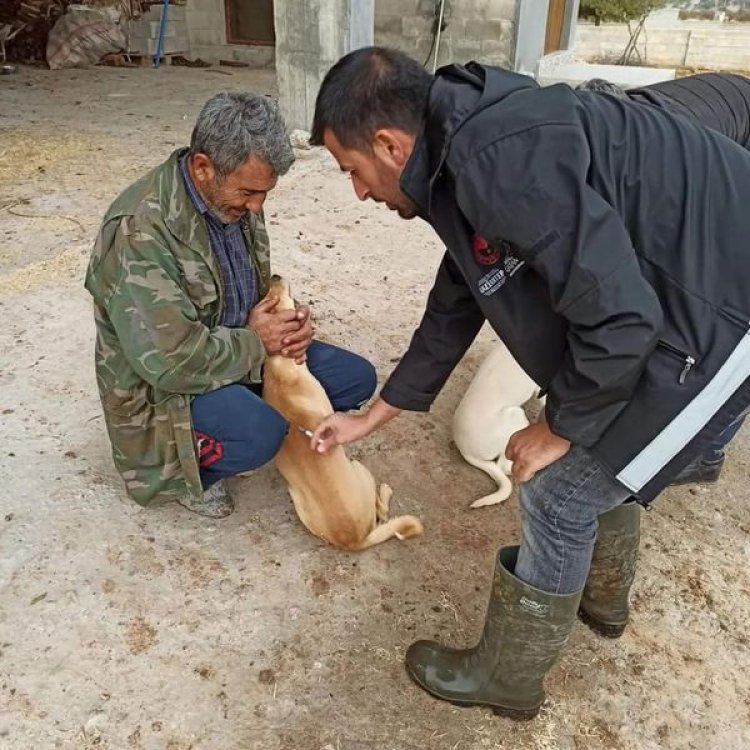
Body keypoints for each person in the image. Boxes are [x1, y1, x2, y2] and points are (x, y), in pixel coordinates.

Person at [309, 48, 750, 719]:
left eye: (354, 172)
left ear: (389, 144)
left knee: (557, 495)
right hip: (691, 291)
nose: (359, 192)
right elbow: (461, 292)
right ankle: (600, 599)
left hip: (723, 319)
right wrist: (373, 416)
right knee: (599, 448)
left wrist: (560, 425)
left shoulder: (499, 161)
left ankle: (508, 679)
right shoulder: (462, 145)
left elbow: (623, 319)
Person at [85, 92, 376, 519]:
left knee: (356, 379)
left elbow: (247, 290)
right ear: (203, 168)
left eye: (264, 193)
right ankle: (191, 477)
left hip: (237, 353)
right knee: (259, 433)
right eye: (249, 192)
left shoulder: (232, 200)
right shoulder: (138, 232)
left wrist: (286, 320)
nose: (258, 207)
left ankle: (259, 417)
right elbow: (170, 364)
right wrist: (258, 342)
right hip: (170, 391)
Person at [577, 72, 750, 485]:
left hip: (739, 146)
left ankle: (707, 450)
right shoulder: (612, 137)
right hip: (719, 113)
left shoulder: (669, 162)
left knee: (728, 323)